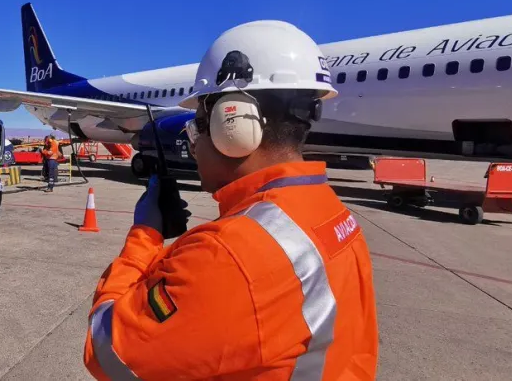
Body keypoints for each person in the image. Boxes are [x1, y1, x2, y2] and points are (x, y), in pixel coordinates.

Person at [83, 20, 379, 380]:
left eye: (198, 125)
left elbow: (106, 352)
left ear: (232, 124)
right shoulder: (334, 214)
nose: (194, 143)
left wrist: (145, 236)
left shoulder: (229, 254)